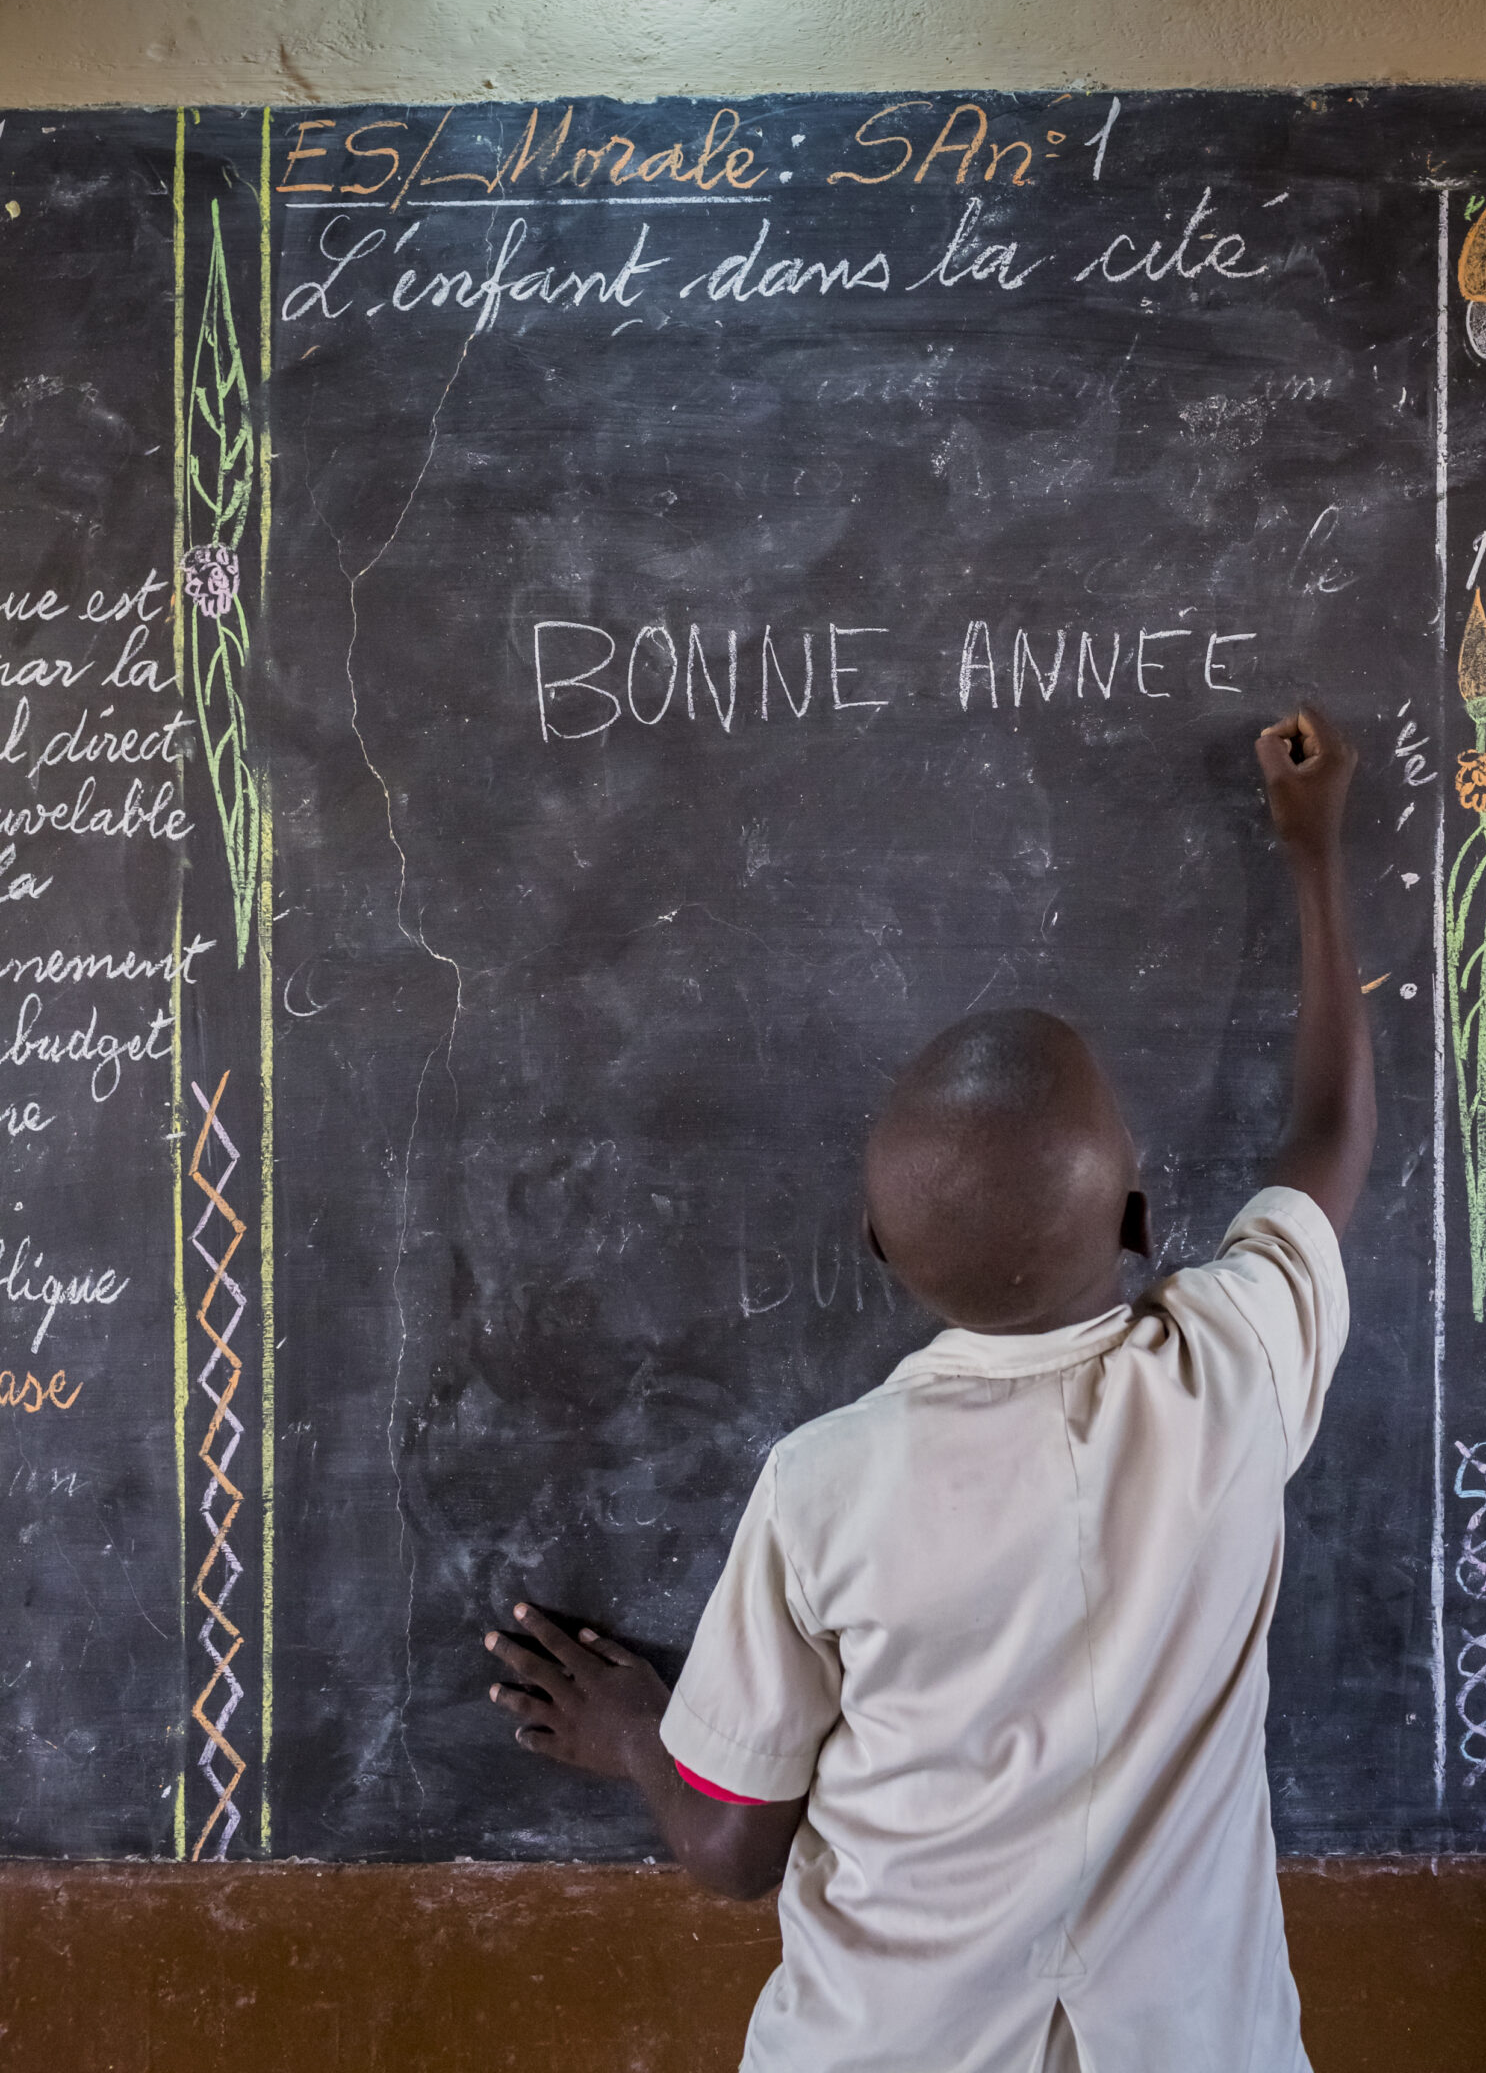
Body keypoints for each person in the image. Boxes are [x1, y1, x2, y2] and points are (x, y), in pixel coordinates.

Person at [485, 705, 1375, 2073]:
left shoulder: (826, 1486)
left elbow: (733, 1848)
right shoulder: (1233, 1366)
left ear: (877, 1251)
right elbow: (1325, 1140)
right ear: (1141, 1217)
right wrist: (1314, 858)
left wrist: (630, 1736)